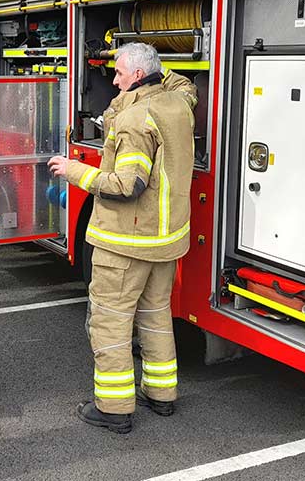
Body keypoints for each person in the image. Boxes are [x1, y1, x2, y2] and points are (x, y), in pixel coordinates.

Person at [48, 43, 196, 434]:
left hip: (126, 242)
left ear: (136, 76)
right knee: (155, 316)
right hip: (166, 241)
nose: (112, 79)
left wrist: (75, 171)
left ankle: (114, 409)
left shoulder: (135, 120)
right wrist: (152, 70)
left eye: (118, 73)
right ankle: (162, 396)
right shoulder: (179, 102)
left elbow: (127, 185)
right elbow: (183, 83)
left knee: (110, 324)